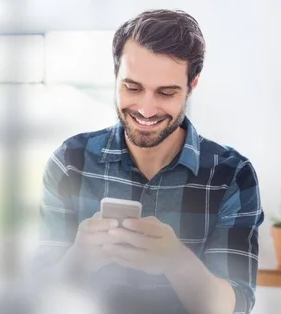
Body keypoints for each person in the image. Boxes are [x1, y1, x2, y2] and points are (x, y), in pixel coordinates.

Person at [34, 9, 264, 314]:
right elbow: (40, 295)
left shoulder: (232, 176)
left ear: (192, 85)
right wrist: (80, 256)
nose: (146, 109)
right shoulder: (70, 162)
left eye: (166, 93)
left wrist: (176, 260)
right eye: (132, 87)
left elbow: (235, 308)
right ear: (115, 76)